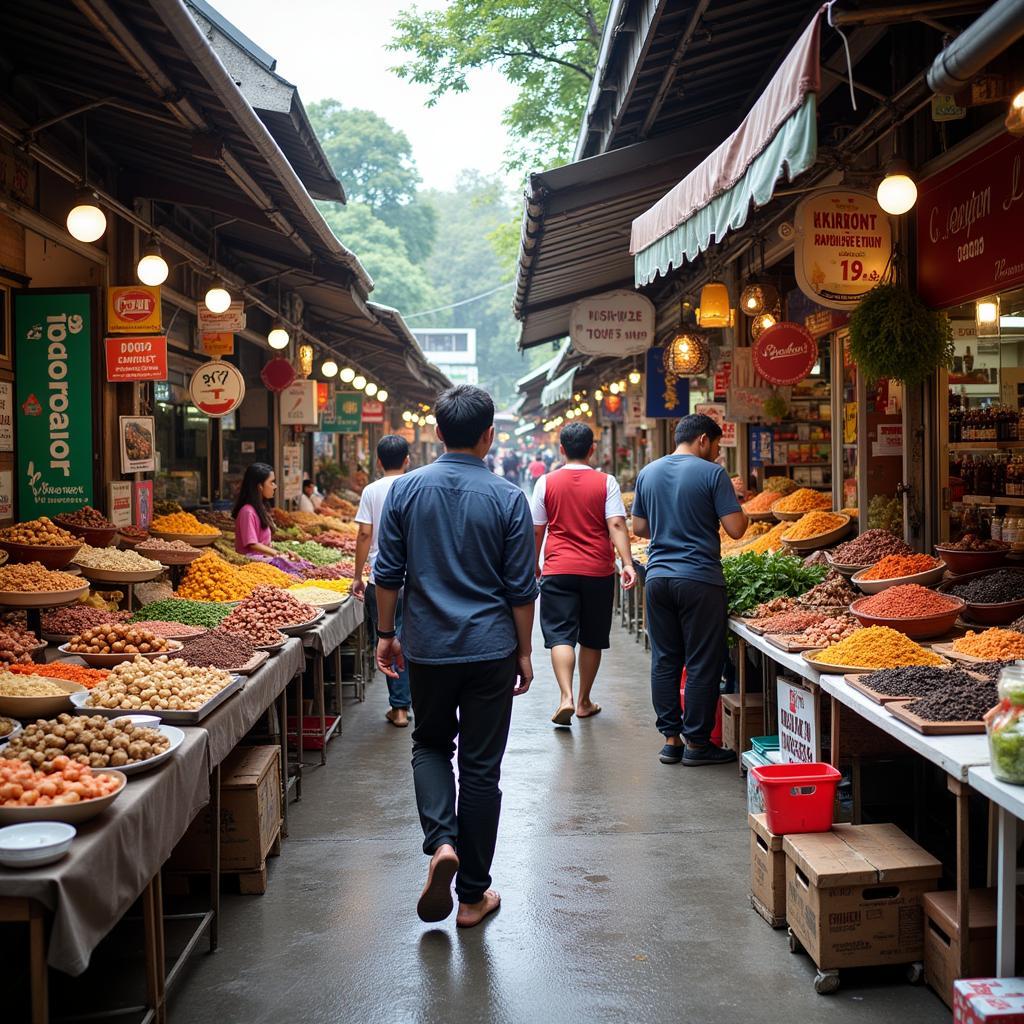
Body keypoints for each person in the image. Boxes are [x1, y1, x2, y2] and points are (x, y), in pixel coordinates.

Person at [374, 385, 538, 928]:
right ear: (490, 436)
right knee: (482, 770)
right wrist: (524, 652)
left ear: (437, 433)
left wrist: (384, 633)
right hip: (491, 648)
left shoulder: (405, 492)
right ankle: (472, 896)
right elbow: (521, 588)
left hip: (428, 648)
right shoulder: (508, 497)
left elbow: (387, 574)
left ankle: (441, 841)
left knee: (429, 745)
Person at [630, 413, 748, 767]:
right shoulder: (712, 474)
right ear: (702, 441)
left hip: (658, 578)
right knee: (701, 661)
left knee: (665, 660)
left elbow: (639, 526)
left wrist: (671, 524)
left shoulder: (648, 472)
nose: (718, 455)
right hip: (699, 579)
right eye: (716, 447)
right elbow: (737, 529)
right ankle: (698, 743)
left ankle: (671, 740)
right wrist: (737, 499)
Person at [532, 422, 636, 726]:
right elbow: (616, 524)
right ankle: (583, 701)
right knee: (591, 637)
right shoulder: (607, 482)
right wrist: (627, 562)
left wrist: (532, 564)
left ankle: (564, 695)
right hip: (597, 570)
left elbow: (537, 529)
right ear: (592, 450)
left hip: (558, 568)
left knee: (561, 634)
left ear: (561, 449)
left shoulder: (545, 483)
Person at [352, 436, 412, 727]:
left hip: (381, 577)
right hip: (413, 579)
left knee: (386, 637)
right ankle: (413, 702)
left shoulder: (371, 490)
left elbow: (364, 534)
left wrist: (357, 575)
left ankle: (399, 708)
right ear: (407, 460)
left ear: (378, 461)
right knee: (412, 638)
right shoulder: (415, 485)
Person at [232, 462, 281, 557]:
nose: (275, 486)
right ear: (260, 486)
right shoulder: (247, 511)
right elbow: (252, 544)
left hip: (262, 562)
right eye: (271, 482)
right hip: (252, 565)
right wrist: (277, 554)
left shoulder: (260, 507)